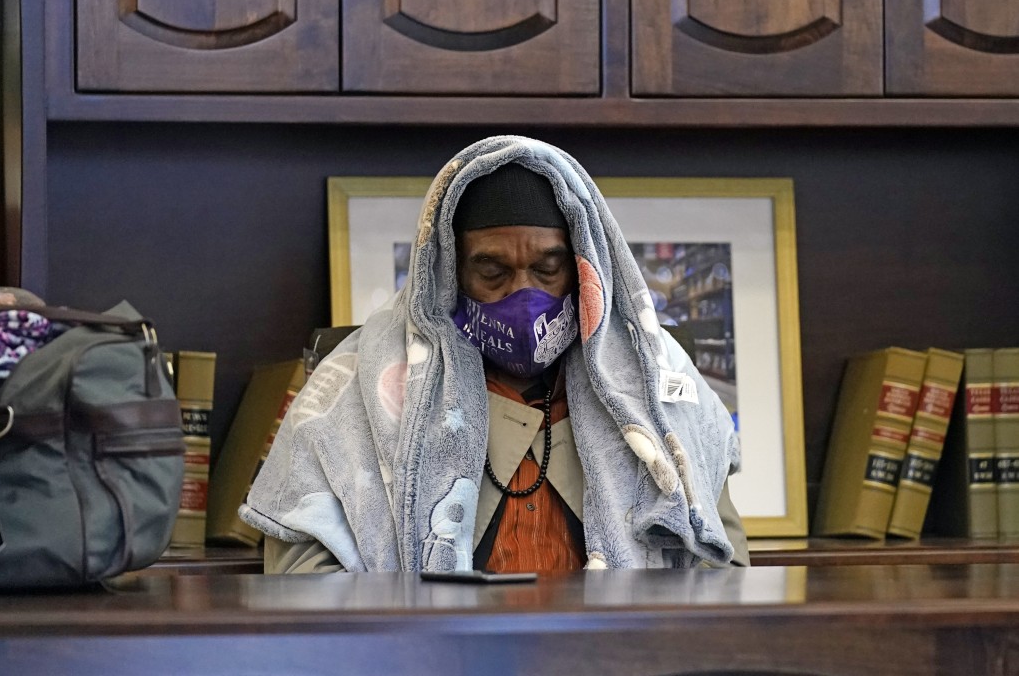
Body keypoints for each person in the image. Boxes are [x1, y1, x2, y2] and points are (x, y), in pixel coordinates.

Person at [242, 136, 749, 573]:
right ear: (448, 273)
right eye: (493, 272)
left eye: (548, 269)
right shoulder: (360, 384)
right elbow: (300, 572)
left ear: (582, 270)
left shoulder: (654, 386)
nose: (523, 295)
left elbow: (722, 565)